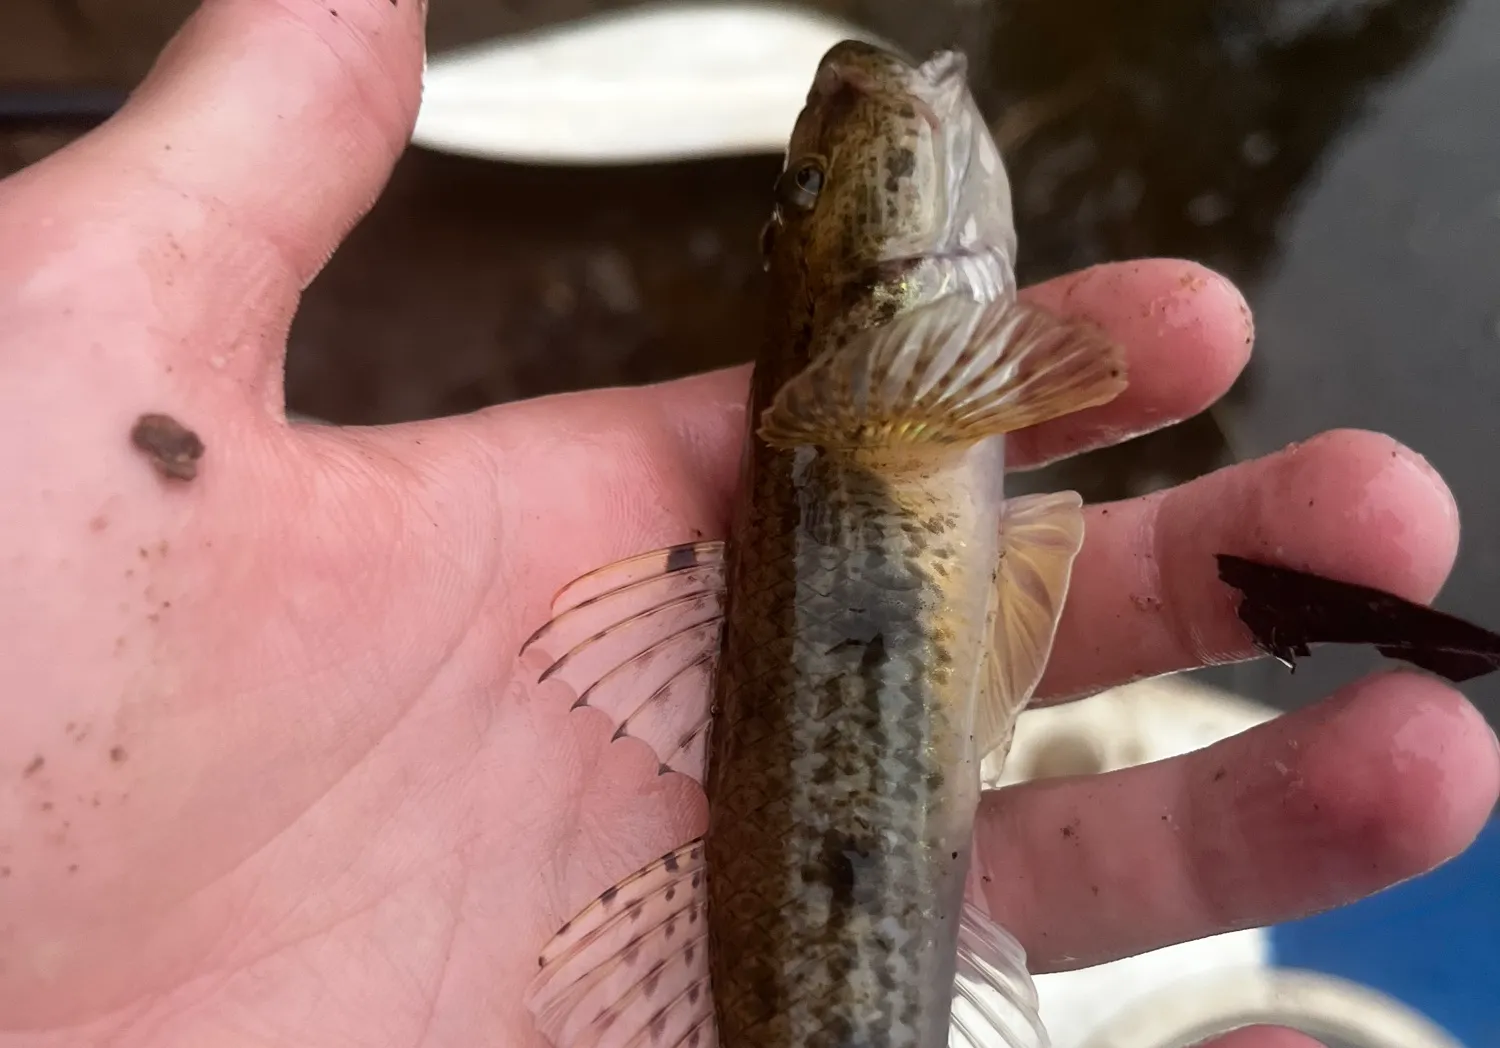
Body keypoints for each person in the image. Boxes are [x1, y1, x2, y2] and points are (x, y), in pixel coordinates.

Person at [0, 3, 1494, 1047]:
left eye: (796, 196)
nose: (833, 143)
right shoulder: (893, 373)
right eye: (803, 194)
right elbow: (1078, 363)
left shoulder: (878, 383)